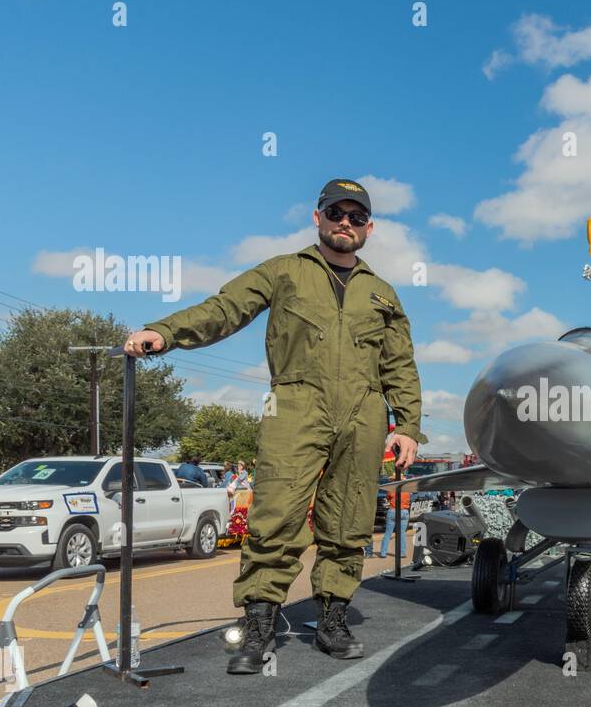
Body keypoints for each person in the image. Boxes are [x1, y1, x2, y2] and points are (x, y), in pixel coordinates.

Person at [124, 178, 423, 674]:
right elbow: (225, 308)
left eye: (355, 217)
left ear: (369, 228)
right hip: (296, 403)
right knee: (275, 515)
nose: (344, 223)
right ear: (317, 218)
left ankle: (333, 619)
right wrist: (166, 331)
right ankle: (260, 626)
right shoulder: (284, 271)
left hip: (365, 413)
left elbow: (400, 364)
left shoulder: (382, 294)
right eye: (335, 213)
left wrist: (408, 424)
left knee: (349, 521)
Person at [378, 487, 412, 558]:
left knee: (388, 533)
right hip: (404, 511)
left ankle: (383, 553)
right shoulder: (407, 490)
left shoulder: (392, 489)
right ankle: (402, 553)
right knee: (401, 533)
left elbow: (387, 498)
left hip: (393, 510)